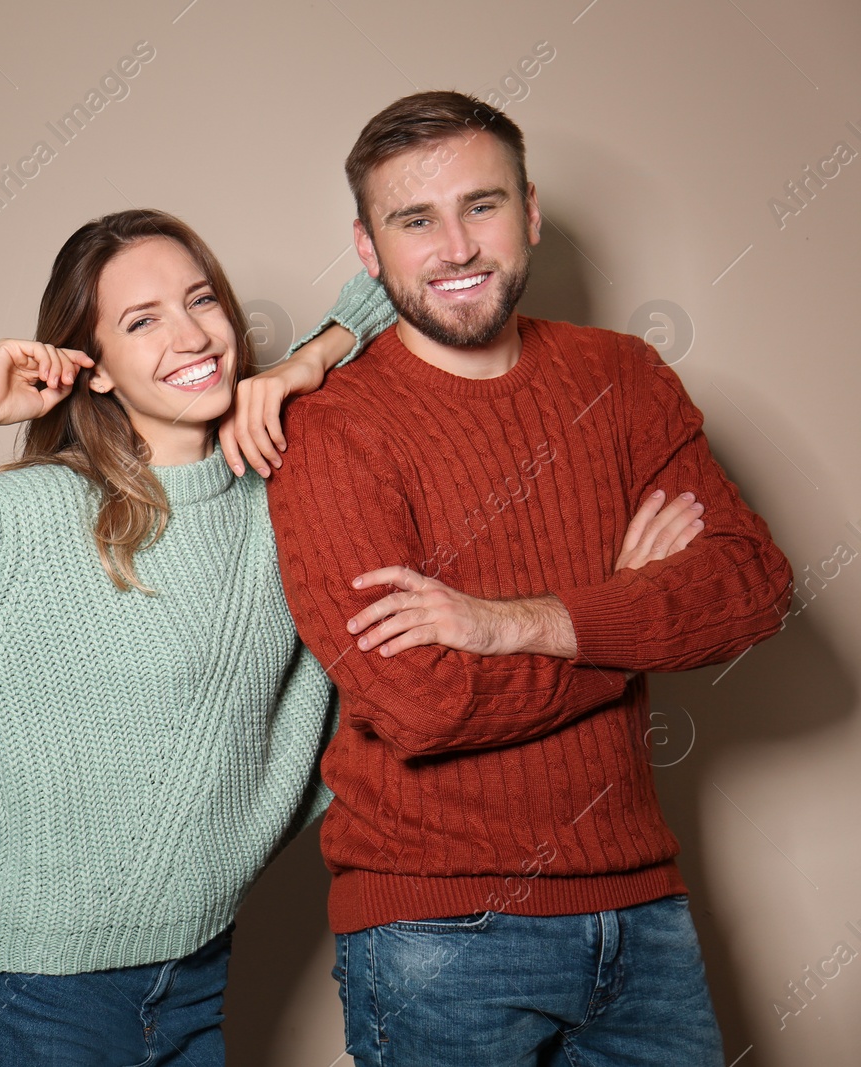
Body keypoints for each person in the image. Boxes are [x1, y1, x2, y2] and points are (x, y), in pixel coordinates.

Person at [0, 207, 399, 1064]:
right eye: (142, 321)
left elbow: (420, 278)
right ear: (93, 367)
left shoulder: (287, 489)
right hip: (38, 999)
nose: (191, 335)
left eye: (202, 299)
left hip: (196, 975)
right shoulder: (29, 518)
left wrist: (306, 361)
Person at [264, 90, 794, 1066]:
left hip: (646, 916)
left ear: (531, 212)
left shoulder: (622, 375)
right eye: (414, 219)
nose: (456, 246)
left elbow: (752, 582)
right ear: (367, 248)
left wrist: (521, 622)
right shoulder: (334, 424)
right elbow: (420, 703)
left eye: (482, 205)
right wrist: (618, 630)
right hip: (435, 935)